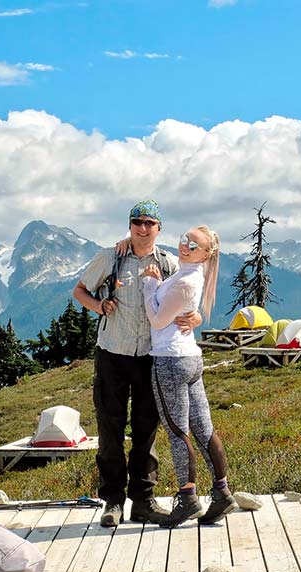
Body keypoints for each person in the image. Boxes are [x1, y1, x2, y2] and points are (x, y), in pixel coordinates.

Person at [72, 200, 200, 527]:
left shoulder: (170, 263)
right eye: (137, 222)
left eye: (149, 223)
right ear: (129, 226)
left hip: (151, 358)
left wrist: (196, 317)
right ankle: (112, 501)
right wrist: (99, 306)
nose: (143, 229)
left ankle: (142, 500)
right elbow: (80, 291)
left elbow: (187, 300)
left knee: (146, 431)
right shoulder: (110, 258)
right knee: (109, 429)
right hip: (112, 354)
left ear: (159, 228)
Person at [141, 225, 237, 528]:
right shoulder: (190, 275)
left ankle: (187, 499)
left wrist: (148, 285)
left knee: (178, 432)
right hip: (191, 359)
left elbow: (157, 321)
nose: (185, 246)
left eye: (194, 245)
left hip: (170, 360)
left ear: (207, 253)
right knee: (203, 428)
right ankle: (221, 493)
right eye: (184, 240)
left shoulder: (185, 281)